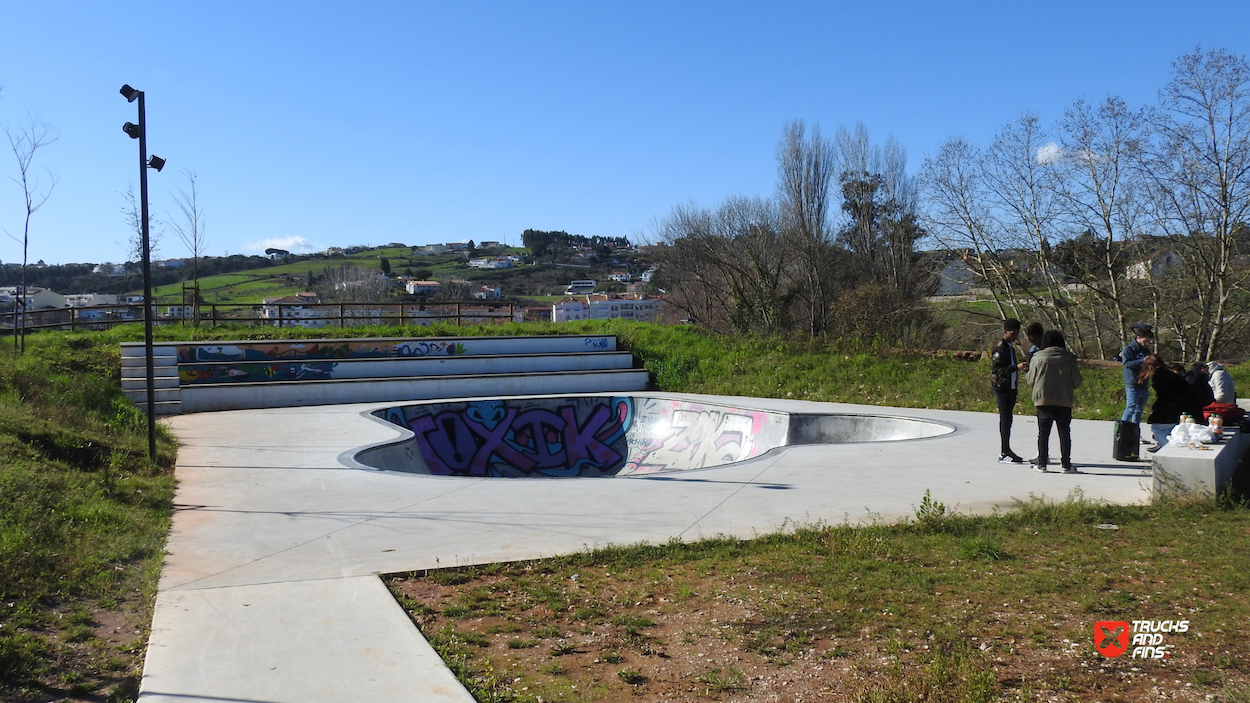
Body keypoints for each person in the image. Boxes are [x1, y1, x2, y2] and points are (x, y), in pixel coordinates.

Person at [1025, 330, 1083, 473]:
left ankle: (1042, 464)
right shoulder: (1070, 358)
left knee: (1043, 433)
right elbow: (1077, 382)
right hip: (1064, 400)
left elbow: (1030, 380)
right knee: (1064, 432)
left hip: (1043, 400)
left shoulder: (1037, 357)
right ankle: (1066, 465)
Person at [1138, 354, 1206, 451]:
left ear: (1150, 367)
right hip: (1190, 407)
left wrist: (1155, 407)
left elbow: (1165, 397)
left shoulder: (1160, 377)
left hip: (1177, 409)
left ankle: (1171, 449)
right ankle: (1170, 447)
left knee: (1157, 428)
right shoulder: (1171, 373)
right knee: (1171, 430)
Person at [991, 318, 1029, 463]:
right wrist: (1015, 368)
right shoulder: (1000, 347)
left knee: (1009, 419)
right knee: (1005, 419)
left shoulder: (1009, 347)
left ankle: (1007, 449)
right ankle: (1003, 452)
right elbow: (996, 370)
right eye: (1012, 333)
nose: (1014, 337)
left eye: (1016, 334)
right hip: (1002, 388)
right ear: (1005, 331)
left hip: (1011, 387)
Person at [1120, 324, 1154, 425]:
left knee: (1139, 411)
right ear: (1138, 338)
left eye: (1149, 341)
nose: (1147, 343)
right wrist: (1143, 360)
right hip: (1133, 384)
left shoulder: (1146, 351)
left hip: (1144, 384)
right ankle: (1122, 431)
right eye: (1145, 340)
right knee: (1130, 408)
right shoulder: (1128, 350)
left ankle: (1135, 433)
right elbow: (1126, 364)